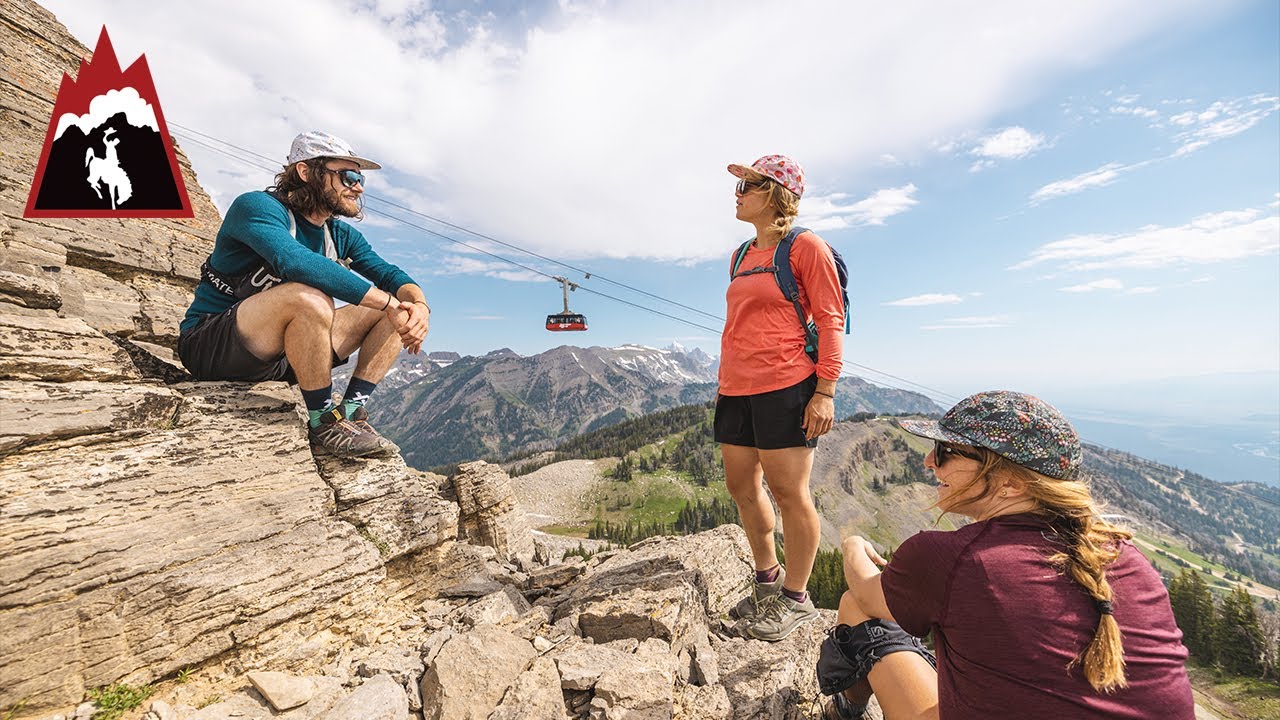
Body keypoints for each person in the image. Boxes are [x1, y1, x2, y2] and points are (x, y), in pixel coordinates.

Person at [818, 391, 1195, 719]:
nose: (928, 462)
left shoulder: (952, 558)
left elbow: (866, 590)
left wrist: (852, 544)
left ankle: (846, 711)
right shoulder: (1123, 555)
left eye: (944, 451)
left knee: (856, 606)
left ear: (1011, 483)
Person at [178, 131, 430, 458]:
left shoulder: (339, 234)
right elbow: (293, 261)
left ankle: (350, 413)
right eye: (348, 176)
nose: (359, 187)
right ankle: (322, 421)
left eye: (359, 178)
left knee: (398, 309)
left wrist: (418, 306)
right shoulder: (257, 207)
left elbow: (390, 275)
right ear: (305, 172)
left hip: (282, 357)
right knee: (310, 297)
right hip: (212, 346)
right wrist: (388, 301)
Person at [715, 155, 845, 642]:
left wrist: (825, 391)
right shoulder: (741, 254)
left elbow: (831, 320)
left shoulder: (805, 247)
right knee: (743, 490)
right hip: (735, 388)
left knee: (790, 493)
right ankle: (767, 583)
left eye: (748, 184)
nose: (737, 192)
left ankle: (796, 599)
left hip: (787, 387)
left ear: (775, 193)